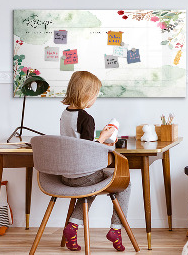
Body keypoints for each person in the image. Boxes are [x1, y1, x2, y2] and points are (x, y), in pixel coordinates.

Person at [60, 71, 130, 252]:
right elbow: (88, 150)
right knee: (125, 183)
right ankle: (116, 229)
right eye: (95, 94)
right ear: (86, 94)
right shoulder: (86, 118)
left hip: (66, 175)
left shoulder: (65, 114)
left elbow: (77, 143)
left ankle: (72, 227)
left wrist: (100, 139)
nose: (95, 99)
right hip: (83, 175)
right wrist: (105, 137)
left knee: (90, 186)